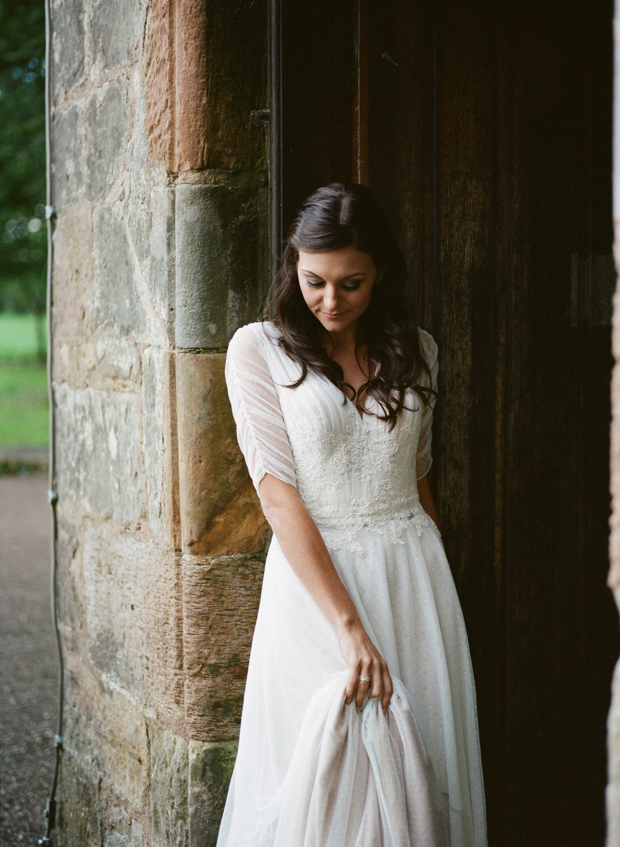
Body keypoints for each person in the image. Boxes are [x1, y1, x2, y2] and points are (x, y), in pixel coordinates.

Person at [216, 183, 487, 847]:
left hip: (414, 577)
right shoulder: (258, 351)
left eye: (351, 283)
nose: (330, 301)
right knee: (326, 776)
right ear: (294, 266)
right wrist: (348, 626)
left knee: (422, 767)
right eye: (314, 282)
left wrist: (438, 587)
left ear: (381, 273)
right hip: (316, 591)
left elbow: (418, 479)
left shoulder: (419, 349)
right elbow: (279, 496)